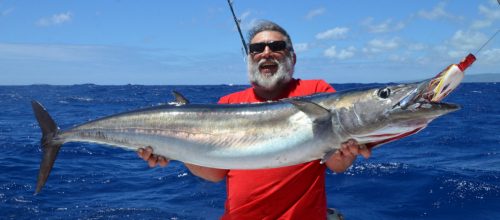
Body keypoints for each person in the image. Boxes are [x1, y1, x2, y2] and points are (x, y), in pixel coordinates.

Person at [137, 20, 371, 219]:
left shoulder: (317, 91)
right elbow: (214, 173)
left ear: (293, 57)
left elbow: (336, 164)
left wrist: (348, 153)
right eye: (257, 48)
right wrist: (176, 151)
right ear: (249, 57)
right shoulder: (229, 102)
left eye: (276, 46)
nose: (266, 52)